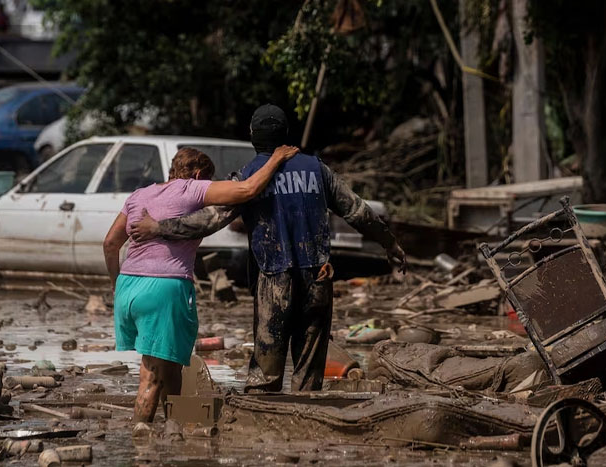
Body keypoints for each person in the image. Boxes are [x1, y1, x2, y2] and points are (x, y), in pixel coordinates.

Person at [129, 104, 407, 393]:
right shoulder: (317, 169)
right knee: (309, 371)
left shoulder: (250, 176)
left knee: (265, 375)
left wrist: (159, 227)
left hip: (273, 279)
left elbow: (209, 221)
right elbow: (358, 212)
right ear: (286, 134)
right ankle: (309, 423)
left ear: (253, 136)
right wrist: (390, 244)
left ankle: (264, 426)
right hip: (318, 278)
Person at [102, 144, 299, 424]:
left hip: (128, 287)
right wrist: (276, 158)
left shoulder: (139, 194)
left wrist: (116, 285)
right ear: (197, 174)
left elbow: (110, 244)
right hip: (163, 288)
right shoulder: (191, 190)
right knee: (151, 376)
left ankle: (175, 429)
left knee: (170, 366)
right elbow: (246, 190)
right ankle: (140, 444)